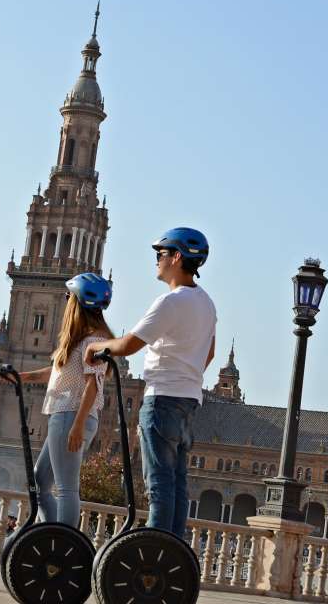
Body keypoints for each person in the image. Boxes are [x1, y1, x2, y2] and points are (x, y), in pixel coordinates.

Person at [85, 228, 216, 538]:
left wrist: (96, 348)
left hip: (162, 400)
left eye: (161, 254)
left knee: (158, 484)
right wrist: (186, 372)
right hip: (188, 401)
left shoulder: (170, 302)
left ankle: (156, 549)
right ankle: (173, 546)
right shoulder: (207, 303)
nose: (157, 260)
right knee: (177, 483)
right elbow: (209, 352)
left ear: (177, 257)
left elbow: (130, 344)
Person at [16, 272, 113, 524]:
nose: (66, 300)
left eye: (68, 296)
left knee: (67, 488)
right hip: (66, 415)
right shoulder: (82, 339)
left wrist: (78, 425)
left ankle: (64, 541)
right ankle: (51, 532)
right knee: (40, 481)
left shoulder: (95, 340)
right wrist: (22, 377)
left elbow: (93, 384)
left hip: (71, 415)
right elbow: (59, 371)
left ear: (77, 302)